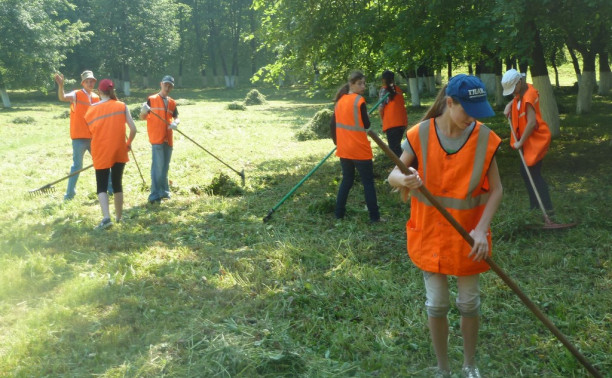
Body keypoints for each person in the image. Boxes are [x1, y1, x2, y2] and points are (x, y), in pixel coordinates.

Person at [387, 74, 503, 378]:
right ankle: (442, 367)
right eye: (468, 110)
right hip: (430, 236)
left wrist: (481, 229)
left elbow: (497, 190)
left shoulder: (484, 138)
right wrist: (405, 178)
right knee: (437, 305)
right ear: (449, 103)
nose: (474, 118)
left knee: (469, 303)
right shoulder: (420, 134)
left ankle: (469, 364)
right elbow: (393, 175)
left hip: (468, 237)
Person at [84, 79, 137, 230]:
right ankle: (119, 217)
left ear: (99, 92)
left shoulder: (91, 110)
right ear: (112, 91)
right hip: (119, 150)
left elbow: (91, 132)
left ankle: (106, 218)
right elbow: (133, 129)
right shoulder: (121, 106)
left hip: (100, 151)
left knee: (101, 185)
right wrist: (128, 144)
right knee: (117, 183)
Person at [330, 70, 381, 223]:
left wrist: (337, 142)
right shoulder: (359, 101)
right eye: (360, 83)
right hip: (360, 150)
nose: (363, 86)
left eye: (364, 83)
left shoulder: (339, 101)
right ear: (351, 84)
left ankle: (338, 214)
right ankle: (374, 217)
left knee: (347, 181)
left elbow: (332, 124)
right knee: (368, 183)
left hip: (344, 149)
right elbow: (366, 124)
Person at [501, 69, 554, 215]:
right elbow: (518, 98)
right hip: (527, 141)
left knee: (533, 174)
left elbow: (531, 123)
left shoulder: (529, 97)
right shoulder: (521, 92)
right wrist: (510, 105)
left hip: (535, 140)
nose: (513, 93)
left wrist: (520, 142)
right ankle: (535, 207)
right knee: (527, 173)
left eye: (513, 89)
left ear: (519, 82)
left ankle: (547, 209)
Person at [54, 70, 112, 200]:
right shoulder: (76, 94)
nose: (90, 83)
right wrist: (61, 85)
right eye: (87, 81)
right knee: (77, 166)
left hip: (94, 138)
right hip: (79, 138)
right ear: (83, 83)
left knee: (103, 162)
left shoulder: (97, 97)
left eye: (92, 81)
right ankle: (69, 195)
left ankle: (111, 189)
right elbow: (62, 97)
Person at [140, 75, 180, 204]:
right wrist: (144, 110)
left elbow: (176, 117)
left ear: (172, 87)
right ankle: (154, 195)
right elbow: (142, 117)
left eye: (170, 86)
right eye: (166, 84)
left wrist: (176, 123)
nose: (167, 87)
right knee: (157, 167)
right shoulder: (151, 99)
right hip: (157, 138)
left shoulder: (172, 102)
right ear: (161, 84)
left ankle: (164, 192)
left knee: (165, 167)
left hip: (168, 139)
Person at [378, 70, 408, 157]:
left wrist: (382, 119)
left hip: (392, 124)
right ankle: (404, 166)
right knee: (396, 147)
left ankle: (404, 167)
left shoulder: (384, 90)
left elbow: (381, 108)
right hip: (402, 122)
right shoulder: (398, 90)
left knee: (394, 151)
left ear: (383, 79)